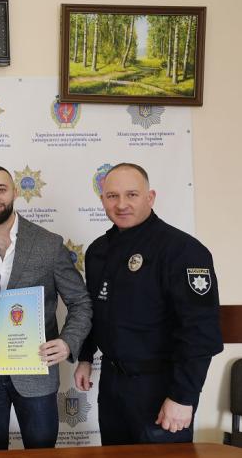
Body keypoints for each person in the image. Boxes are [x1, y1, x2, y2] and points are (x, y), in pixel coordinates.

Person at [74, 163, 223, 445]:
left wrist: (183, 396)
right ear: (103, 200)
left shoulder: (183, 250)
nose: (121, 204)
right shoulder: (98, 251)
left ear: (150, 197)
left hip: (162, 387)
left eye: (131, 194)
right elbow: (95, 308)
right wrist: (85, 356)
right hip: (112, 384)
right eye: (112, 196)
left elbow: (200, 331)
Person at [0, 165, 92, 450]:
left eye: (1, 189)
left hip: (36, 372)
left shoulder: (49, 244)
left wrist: (67, 342)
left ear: (14, 192)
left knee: (41, 454)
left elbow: (80, 302)